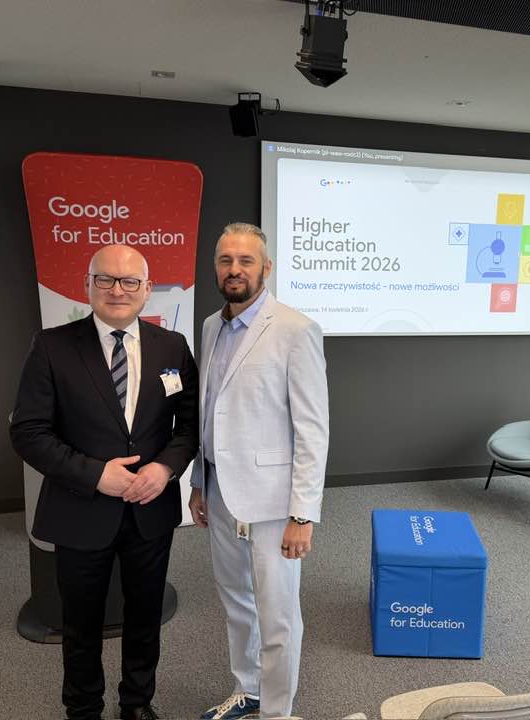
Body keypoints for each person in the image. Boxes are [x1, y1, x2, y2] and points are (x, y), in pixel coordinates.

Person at [11, 245, 199, 720]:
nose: (118, 290)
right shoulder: (52, 346)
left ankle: (136, 702)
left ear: (147, 289)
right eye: (106, 279)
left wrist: (164, 468)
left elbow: (189, 424)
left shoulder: (172, 347)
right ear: (88, 286)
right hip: (80, 509)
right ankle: (83, 708)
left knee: (145, 616)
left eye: (130, 281)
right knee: (81, 623)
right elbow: (28, 432)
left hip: (150, 508)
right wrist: (97, 475)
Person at [188, 222, 329, 720]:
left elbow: (312, 429)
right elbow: (209, 411)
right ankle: (247, 689)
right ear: (216, 267)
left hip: (274, 500)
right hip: (220, 491)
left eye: (246, 261)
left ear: (265, 268)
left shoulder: (295, 329)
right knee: (236, 601)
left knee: (278, 613)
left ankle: (276, 712)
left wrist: (303, 514)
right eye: (226, 260)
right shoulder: (211, 326)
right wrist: (199, 483)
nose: (235, 269)